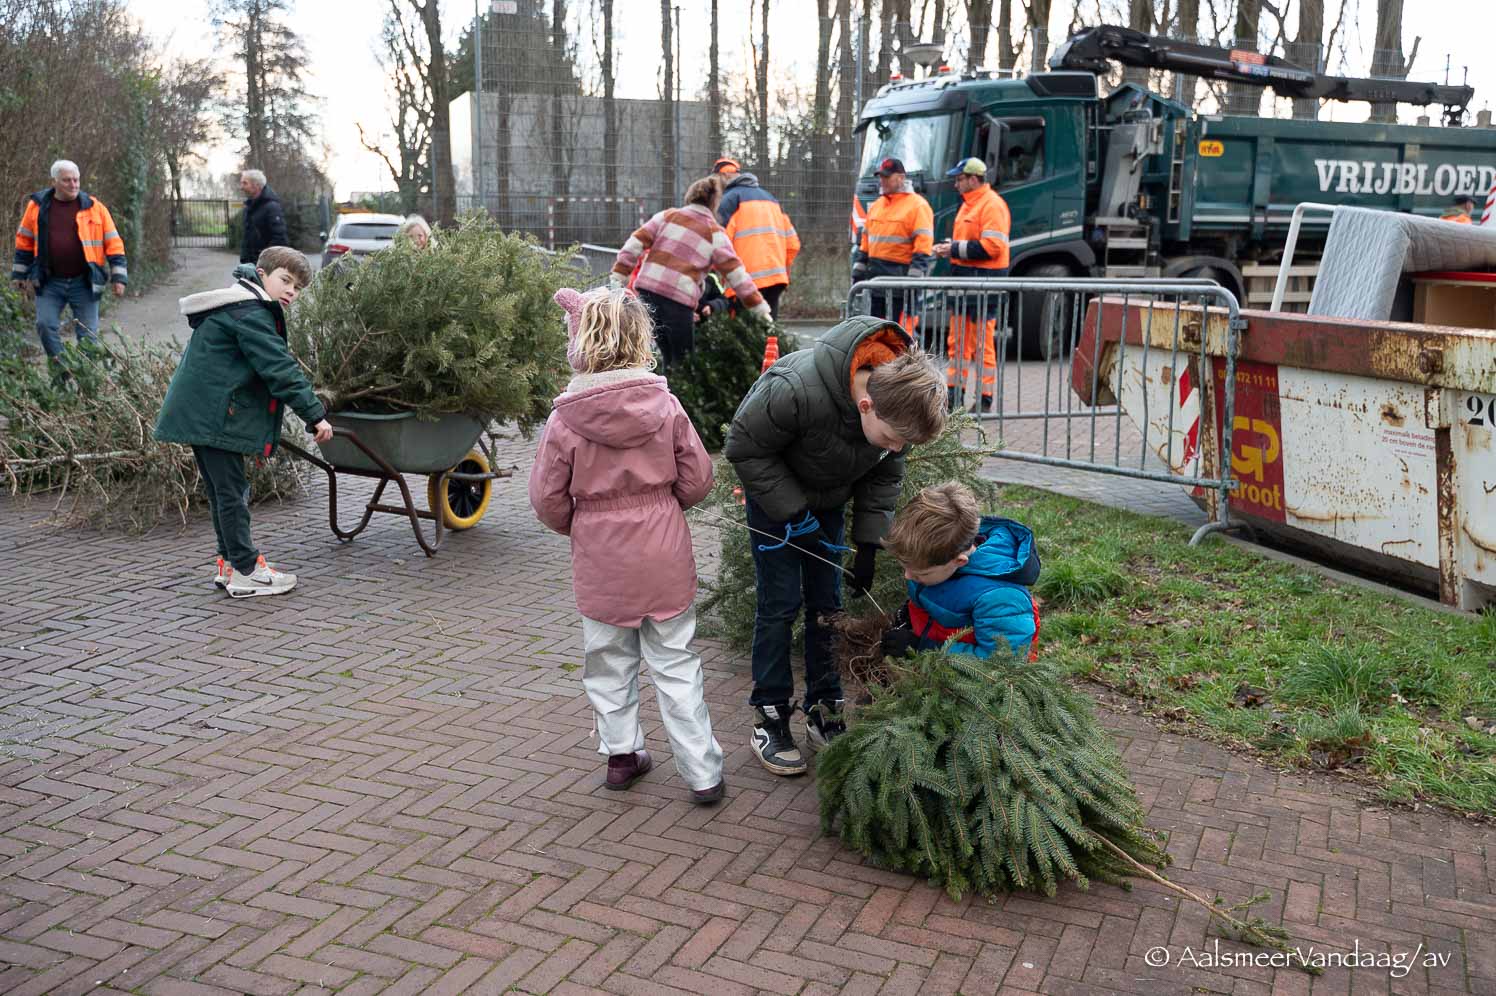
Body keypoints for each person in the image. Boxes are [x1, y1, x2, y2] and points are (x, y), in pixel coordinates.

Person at [724, 317, 947, 776]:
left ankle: (824, 708)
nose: (897, 448)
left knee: (829, 607)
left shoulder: (897, 411)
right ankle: (770, 717)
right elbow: (745, 447)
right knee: (780, 605)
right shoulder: (793, 388)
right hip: (775, 506)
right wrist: (791, 514)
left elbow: (884, 476)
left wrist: (867, 544)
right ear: (866, 405)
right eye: (892, 440)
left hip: (826, 505)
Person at [529, 286, 726, 805]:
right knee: (676, 661)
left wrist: (581, 524)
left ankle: (622, 754)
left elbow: (546, 499)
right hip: (663, 549)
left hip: (601, 555)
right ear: (642, 337)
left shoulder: (565, 419)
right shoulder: (666, 406)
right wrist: (665, 505)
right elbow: (698, 478)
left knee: (607, 659)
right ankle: (702, 770)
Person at [153, 247, 333, 598]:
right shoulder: (249, 312)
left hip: (203, 412)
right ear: (261, 274)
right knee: (232, 493)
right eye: (285, 280)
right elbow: (279, 369)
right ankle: (247, 570)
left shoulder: (240, 305)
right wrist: (315, 415)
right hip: (213, 415)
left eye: (297, 288)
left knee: (224, 492)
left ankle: (231, 563)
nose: (291, 291)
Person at [610, 176, 771, 367]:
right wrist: (761, 311)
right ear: (715, 203)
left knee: (664, 353)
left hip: (648, 293)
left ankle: (666, 382)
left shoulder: (667, 216)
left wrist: (618, 277)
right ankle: (677, 384)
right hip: (678, 300)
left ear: (690, 196)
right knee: (684, 361)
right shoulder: (715, 233)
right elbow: (738, 277)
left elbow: (634, 244)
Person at [877, 482, 1042, 664]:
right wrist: (910, 615)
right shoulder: (938, 556)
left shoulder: (1000, 599)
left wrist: (923, 649)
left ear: (959, 561)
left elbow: (1002, 663)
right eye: (905, 567)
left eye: (920, 574)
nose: (907, 576)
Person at [11, 159, 127, 358]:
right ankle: (63, 367)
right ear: (54, 182)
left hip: (85, 282)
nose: (73, 184)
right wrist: (19, 275)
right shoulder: (36, 207)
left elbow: (114, 243)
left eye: (76, 180)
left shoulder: (95, 208)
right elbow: (24, 242)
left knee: (89, 337)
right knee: (44, 325)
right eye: (67, 180)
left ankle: (85, 373)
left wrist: (119, 278)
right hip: (49, 281)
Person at [933, 157, 1010, 413]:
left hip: (983, 284)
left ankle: (984, 399)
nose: (956, 184)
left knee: (981, 343)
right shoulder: (969, 205)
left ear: (973, 179)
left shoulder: (991, 205)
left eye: (959, 179)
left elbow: (992, 247)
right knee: (957, 342)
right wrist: (952, 248)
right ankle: (954, 396)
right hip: (966, 284)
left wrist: (952, 249)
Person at [713, 157, 801, 320]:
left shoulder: (729, 200)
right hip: (776, 279)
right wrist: (783, 271)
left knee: (742, 331)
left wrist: (713, 270)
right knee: (769, 329)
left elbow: (718, 241)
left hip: (744, 282)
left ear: (723, 176)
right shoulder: (771, 199)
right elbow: (793, 244)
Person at [851, 158, 934, 324]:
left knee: (899, 331)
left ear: (901, 178)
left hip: (900, 284)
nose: (882, 181)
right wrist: (858, 273)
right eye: (881, 177)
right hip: (875, 282)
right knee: (875, 329)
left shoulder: (918, 206)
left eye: (887, 177)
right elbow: (865, 243)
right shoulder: (877, 205)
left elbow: (923, 246)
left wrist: (912, 282)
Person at [239, 169, 289, 264]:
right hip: (249, 264)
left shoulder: (272, 207)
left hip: (264, 265)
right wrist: (244, 258)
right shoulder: (248, 208)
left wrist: (264, 260)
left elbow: (280, 239)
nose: (241, 187)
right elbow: (247, 238)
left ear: (256, 185)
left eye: (245, 183)